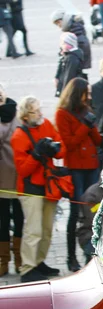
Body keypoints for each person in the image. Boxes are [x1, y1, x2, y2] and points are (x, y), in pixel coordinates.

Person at [10, 96, 65, 282]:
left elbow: (61, 147)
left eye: (40, 109)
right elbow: (23, 170)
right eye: (36, 110)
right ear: (26, 115)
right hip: (30, 188)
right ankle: (27, 268)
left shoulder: (46, 125)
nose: (41, 113)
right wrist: (37, 154)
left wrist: (54, 149)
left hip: (48, 186)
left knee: (47, 229)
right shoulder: (19, 136)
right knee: (33, 230)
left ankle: (39, 261)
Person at [55, 78, 102, 272]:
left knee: (93, 212)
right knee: (76, 213)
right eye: (86, 93)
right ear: (77, 93)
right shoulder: (62, 114)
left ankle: (90, 253)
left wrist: (92, 126)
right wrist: (85, 126)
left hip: (92, 166)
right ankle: (70, 256)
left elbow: (97, 140)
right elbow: (70, 142)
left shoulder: (86, 111)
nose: (88, 97)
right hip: (76, 169)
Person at [0, 83, 22, 276]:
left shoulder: (15, 112)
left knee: (20, 219)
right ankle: (4, 260)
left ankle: (19, 259)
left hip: (18, 176)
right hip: (2, 179)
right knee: (2, 221)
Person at [55, 33, 84, 98]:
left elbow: (69, 76)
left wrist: (65, 93)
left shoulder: (72, 58)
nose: (61, 46)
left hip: (70, 90)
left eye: (63, 43)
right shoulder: (68, 55)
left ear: (68, 44)